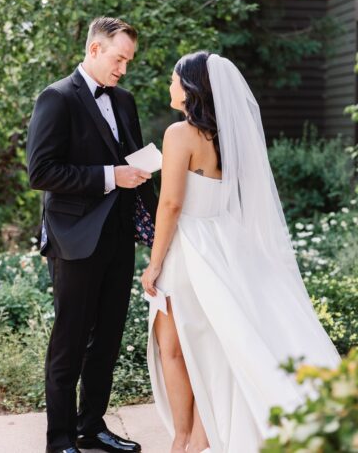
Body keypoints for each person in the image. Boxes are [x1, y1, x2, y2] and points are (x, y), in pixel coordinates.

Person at [141, 51, 341, 453]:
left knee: (173, 346)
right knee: (215, 345)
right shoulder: (228, 136)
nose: (169, 86)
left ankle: (186, 439)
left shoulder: (180, 134)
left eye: (174, 79)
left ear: (192, 87)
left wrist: (155, 262)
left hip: (189, 250)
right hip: (225, 245)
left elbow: (171, 205)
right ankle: (199, 436)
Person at [26, 16, 157, 453]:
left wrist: (160, 224)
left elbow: (132, 162)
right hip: (74, 238)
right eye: (120, 59)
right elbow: (41, 172)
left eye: (129, 61)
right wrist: (110, 176)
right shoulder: (56, 98)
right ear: (95, 49)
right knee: (69, 341)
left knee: (107, 340)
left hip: (118, 236)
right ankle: (60, 439)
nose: (124, 69)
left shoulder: (126, 100)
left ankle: (91, 426)